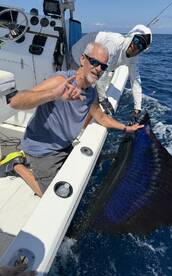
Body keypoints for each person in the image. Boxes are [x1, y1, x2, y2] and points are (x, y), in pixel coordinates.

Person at [9, 42, 143, 195]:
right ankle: (16, 165)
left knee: (87, 175)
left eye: (103, 66)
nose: (98, 69)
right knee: (50, 194)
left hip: (64, 146)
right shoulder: (60, 81)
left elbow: (100, 116)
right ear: (82, 59)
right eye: (94, 62)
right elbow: (16, 101)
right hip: (42, 150)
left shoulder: (91, 93)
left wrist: (127, 128)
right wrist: (53, 94)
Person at [72, 24, 152, 116]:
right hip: (79, 55)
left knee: (92, 94)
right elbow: (102, 72)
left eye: (141, 46)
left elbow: (135, 81)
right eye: (136, 40)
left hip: (95, 63)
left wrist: (137, 108)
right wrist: (103, 99)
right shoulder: (114, 43)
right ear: (131, 37)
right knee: (81, 93)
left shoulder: (133, 58)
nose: (136, 46)